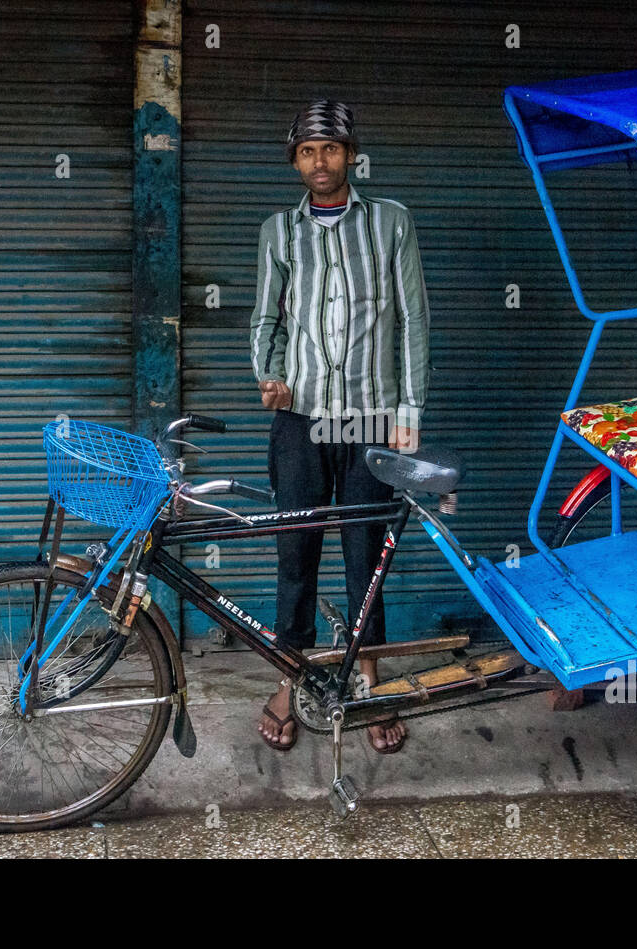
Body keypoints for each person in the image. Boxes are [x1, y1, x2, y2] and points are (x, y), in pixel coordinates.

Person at [250, 99, 431, 754]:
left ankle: (369, 683)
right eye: (306, 151)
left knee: (366, 556)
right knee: (295, 556)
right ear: (295, 161)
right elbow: (266, 320)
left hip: (370, 418)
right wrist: (266, 373)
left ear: (351, 154)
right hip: (299, 420)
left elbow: (414, 320)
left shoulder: (391, 223)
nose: (319, 161)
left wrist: (408, 412)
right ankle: (288, 681)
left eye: (330, 148)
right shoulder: (279, 232)